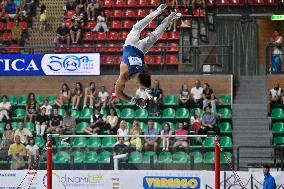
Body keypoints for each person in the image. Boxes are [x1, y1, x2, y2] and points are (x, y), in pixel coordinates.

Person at [115, 4, 181, 105]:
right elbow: (118, 93)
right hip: (132, 44)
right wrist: (135, 100)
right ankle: (162, 13)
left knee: (150, 33)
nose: (138, 87)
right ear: (137, 82)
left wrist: (143, 96)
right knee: (139, 28)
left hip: (139, 49)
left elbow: (146, 83)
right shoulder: (125, 75)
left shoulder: (141, 71)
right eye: (139, 86)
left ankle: (169, 15)